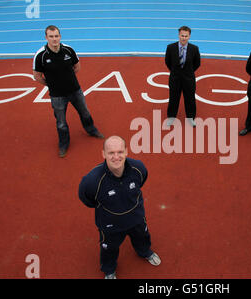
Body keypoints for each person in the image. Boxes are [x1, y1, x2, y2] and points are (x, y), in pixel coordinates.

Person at [78, 136, 161, 279]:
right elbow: (87, 199)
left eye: (120, 152)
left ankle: (144, 252)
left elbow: (142, 181)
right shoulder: (92, 181)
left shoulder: (138, 168)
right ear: (103, 154)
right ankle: (109, 270)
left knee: (142, 236)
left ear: (126, 152)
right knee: (109, 248)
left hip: (136, 217)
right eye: (111, 153)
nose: (116, 157)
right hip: (110, 225)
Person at [33, 25, 104, 158]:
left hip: (75, 91)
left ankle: (91, 130)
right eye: (51, 36)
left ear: (60, 36)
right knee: (61, 122)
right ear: (46, 38)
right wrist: (51, 85)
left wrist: (68, 79)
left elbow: (77, 66)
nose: (54, 39)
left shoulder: (68, 50)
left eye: (56, 36)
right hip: (57, 96)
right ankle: (64, 144)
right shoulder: (41, 55)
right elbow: (37, 76)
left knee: (85, 112)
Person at [165, 26, 201, 127]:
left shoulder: (194, 49)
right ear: (178, 35)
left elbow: (197, 63)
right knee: (173, 99)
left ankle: (191, 119)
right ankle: (171, 118)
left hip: (188, 79)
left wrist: (188, 72)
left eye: (186, 36)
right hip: (175, 79)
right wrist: (176, 72)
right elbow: (167, 62)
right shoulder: (170, 47)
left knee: (190, 99)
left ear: (189, 36)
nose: (183, 38)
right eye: (182, 36)